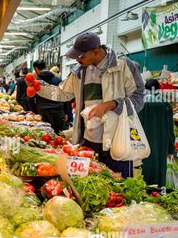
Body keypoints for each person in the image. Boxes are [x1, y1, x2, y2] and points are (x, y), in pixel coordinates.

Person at [35, 32, 145, 178]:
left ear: (96, 51)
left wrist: (111, 104)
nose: (77, 60)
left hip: (117, 143)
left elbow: (138, 100)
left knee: (119, 188)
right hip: (88, 142)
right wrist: (39, 88)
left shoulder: (124, 67)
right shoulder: (79, 72)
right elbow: (62, 94)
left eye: (81, 56)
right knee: (92, 187)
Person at [138, 79, 175, 187]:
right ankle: (158, 196)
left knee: (144, 173)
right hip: (162, 145)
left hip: (144, 145)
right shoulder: (166, 104)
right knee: (159, 173)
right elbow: (170, 130)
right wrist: (171, 150)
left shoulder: (142, 102)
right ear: (158, 88)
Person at [31, 60, 65, 134]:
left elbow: (30, 97)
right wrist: (66, 112)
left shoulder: (35, 82)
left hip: (43, 112)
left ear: (36, 69)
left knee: (44, 136)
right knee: (58, 136)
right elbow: (65, 95)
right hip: (58, 111)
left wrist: (34, 111)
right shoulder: (58, 80)